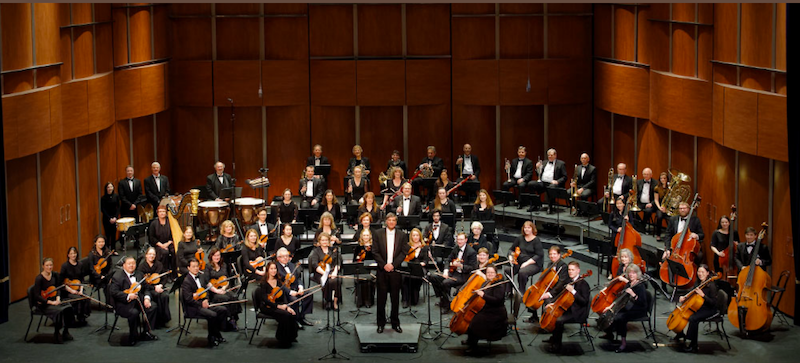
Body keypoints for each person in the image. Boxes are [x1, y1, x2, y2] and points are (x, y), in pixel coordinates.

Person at [599, 264, 648, 353]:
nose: (631, 275)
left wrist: (633, 294)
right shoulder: (629, 284)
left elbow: (643, 302)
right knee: (610, 313)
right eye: (629, 273)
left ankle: (623, 343)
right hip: (628, 307)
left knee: (621, 318)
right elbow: (621, 297)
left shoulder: (640, 286)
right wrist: (611, 306)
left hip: (638, 309)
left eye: (633, 273)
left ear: (637, 274)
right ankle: (609, 334)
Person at [543, 261, 591, 353]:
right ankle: (554, 338)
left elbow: (584, 301)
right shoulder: (568, 281)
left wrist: (573, 291)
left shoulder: (583, 284)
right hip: (568, 308)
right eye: (569, 269)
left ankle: (557, 345)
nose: (570, 272)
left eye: (573, 270)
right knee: (554, 313)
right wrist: (553, 303)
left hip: (577, 312)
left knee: (559, 320)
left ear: (578, 271)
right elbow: (561, 296)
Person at [109, 256, 158, 346]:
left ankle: (146, 332)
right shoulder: (117, 276)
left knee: (153, 307)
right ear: (124, 265)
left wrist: (147, 298)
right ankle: (133, 335)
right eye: (129, 264)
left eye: (133, 263)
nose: (131, 266)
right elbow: (114, 292)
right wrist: (128, 296)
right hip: (123, 303)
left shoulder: (139, 274)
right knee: (134, 313)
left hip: (138, 300)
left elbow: (146, 288)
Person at [373, 213, 408, 333]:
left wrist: (393, 265)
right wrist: (384, 265)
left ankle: (395, 323)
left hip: (395, 271)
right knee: (381, 299)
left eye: (394, 220)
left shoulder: (402, 235)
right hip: (382, 271)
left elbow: (404, 252)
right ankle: (380, 323)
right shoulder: (378, 234)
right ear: (386, 221)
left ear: (396, 222)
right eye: (389, 220)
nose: (392, 222)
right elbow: (375, 251)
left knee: (395, 298)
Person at [181, 258, 228, 348]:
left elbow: (206, 291)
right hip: (193, 308)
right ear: (188, 268)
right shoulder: (186, 281)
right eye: (193, 267)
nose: (196, 268)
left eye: (197, 266)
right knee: (212, 315)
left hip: (203, 304)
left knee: (222, 310)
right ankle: (212, 337)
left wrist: (206, 299)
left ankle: (216, 334)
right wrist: (200, 304)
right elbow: (188, 299)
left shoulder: (201, 277)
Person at [462, 265, 507, 355]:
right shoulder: (486, 283)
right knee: (472, 317)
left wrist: (483, 295)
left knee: (475, 321)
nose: (490, 274)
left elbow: (497, 300)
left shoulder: (498, 285)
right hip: (487, 309)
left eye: (492, 273)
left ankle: (474, 347)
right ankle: (471, 341)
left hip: (496, 313)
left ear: (496, 273)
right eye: (488, 273)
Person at [674, 264, 718, 353]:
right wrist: (684, 297)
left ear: (707, 273)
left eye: (702, 272)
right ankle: (680, 334)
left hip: (710, 309)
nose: (700, 274)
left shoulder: (711, 285)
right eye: (699, 272)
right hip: (700, 306)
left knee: (693, 318)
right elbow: (692, 293)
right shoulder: (699, 282)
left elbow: (713, 303)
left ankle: (693, 345)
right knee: (683, 313)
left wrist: (703, 296)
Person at [256, 261, 299, 347]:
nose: (273, 270)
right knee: (285, 315)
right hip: (267, 306)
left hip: (278, 304)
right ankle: (281, 338)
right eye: (271, 269)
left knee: (292, 313)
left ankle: (290, 337)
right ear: (268, 270)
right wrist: (279, 306)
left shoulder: (278, 281)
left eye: (275, 268)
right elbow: (265, 300)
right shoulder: (263, 283)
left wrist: (287, 307)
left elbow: (283, 297)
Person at [506, 221, 543, 317]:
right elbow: (511, 249)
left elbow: (539, 255)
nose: (527, 229)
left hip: (533, 263)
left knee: (522, 272)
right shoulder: (519, 238)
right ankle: (509, 290)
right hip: (519, 261)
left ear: (532, 229)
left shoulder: (536, 240)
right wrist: (510, 256)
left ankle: (521, 292)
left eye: (529, 228)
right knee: (507, 269)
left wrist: (527, 263)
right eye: (525, 228)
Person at [34, 257, 75, 343]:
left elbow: (58, 288)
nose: (49, 267)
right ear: (43, 266)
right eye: (47, 265)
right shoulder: (39, 279)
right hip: (44, 304)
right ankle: (56, 333)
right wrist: (51, 302)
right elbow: (37, 296)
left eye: (51, 265)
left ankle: (65, 331)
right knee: (58, 311)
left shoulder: (55, 275)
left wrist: (58, 298)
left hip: (55, 300)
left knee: (68, 307)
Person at [437, 233, 478, 314]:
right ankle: (444, 299)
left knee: (445, 283)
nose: (459, 241)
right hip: (454, 272)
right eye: (458, 239)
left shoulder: (471, 252)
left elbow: (472, 268)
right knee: (435, 277)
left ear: (466, 240)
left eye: (461, 239)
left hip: (463, 275)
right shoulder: (456, 248)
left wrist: (461, 266)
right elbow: (448, 259)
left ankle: (447, 305)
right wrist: (445, 270)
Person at [204, 247, 242, 331]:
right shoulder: (208, 266)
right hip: (213, 291)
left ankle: (232, 319)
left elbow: (227, 279)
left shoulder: (223, 265)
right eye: (215, 255)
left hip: (223, 289)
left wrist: (224, 288)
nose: (217, 257)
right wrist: (217, 290)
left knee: (234, 297)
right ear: (211, 256)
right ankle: (228, 320)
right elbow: (207, 282)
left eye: (218, 255)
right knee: (226, 298)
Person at [275, 247, 314, 328]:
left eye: (287, 256)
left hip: (295, 288)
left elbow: (298, 278)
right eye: (283, 256)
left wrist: (300, 287)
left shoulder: (292, 265)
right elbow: (278, 284)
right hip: (285, 292)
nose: (286, 258)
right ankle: (294, 319)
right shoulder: (275, 268)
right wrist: (290, 292)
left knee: (308, 295)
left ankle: (302, 317)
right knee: (294, 299)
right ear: (278, 258)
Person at [531, 246, 570, 322]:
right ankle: (534, 317)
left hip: (559, 291)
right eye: (550, 254)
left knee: (546, 299)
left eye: (554, 254)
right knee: (533, 295)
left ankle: (546, 321)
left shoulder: (564, 266)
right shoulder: (550, 264)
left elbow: (561, 283)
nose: (552, 256)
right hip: (550, 287)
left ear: (559, 255)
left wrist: (549, 294)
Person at [137, 247, 172, 328]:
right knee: (157, 295)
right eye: (150, 254)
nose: (151, 256)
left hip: (159, 286)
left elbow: (164, 277)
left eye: (153, 254)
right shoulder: (141, 267)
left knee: (165, 295)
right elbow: (142, 283)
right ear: (146, 255)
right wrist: (154, 288)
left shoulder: (159, 264)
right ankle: (157, 320)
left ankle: (164, 318)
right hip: (147, 289)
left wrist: (161, 285)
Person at [308, 233, 342, 310]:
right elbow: (314, 264)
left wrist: (335, 272)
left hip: (332, 271)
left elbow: (338, 262)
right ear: (319, 241)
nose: (324, 242)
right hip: (320, 273)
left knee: (337, 281)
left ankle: (335, 302)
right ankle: (328, 301)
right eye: (323, 240)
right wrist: (326, 274)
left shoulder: (333, 250)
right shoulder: (316, 251)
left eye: (326, 240)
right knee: (328, 281)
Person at [60, 247, 90, 326]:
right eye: (71, 254)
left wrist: (81, 290)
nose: (73, 255)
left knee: (85, 297)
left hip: (78, 287)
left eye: (75, 253)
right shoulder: (65, 266)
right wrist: (71, 291)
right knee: (77, 298)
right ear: (68, 255)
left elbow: (82, 279)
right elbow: (62, 282)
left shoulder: (80, 264)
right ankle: (73, 318)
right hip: (67, 290)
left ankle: (81, 316)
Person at [401, 228, 429, 308]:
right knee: (404, 277)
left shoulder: (424, 247)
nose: (415, 237)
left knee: (414, 302)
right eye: (414, 235)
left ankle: (413, 296)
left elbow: (426, 261)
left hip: (420, 268)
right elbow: (404, 258)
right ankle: (405, 299)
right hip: (409, 267)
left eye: (417, 235)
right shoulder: (407, 246)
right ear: (411, 237)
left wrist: (422, 263)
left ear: (420, 236)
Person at [353, 228, 376, 308]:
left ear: (370, 236)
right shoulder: (358, 247)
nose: (366, 237)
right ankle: (360, 301)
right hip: (360, 267)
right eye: (364, 235)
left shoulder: (373, 247)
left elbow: (375, 258)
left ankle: (368, 301)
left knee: (368, 279)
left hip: (371, 268)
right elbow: (354, 260)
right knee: (361, 278)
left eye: (367, 235)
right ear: (361, 237)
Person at [147, 205, 174, 273]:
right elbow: (152, 237)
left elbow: (173, 235)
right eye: (160, 212)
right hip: (158, 244)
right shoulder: (153, 224)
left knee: (174, 251)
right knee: (164, 253)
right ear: (157, 213)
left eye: (163, 211)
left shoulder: (170, 222)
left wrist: (167, 244)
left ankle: (173, 272)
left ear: (166, 213)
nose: (162, 213)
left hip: (169, 243)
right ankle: (164, 272)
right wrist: (162, 245)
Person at [100, 182, 121, 250]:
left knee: (113, 235)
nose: (110, 188)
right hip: (107, 219)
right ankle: (106, 250)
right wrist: (109, 218)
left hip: (114, 218)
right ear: (106, 189)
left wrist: (115, 217)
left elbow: (118, 207)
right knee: (107, 235)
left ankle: (113, 249)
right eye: (108, 187)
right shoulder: (103, 198)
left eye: (111, 187)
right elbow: (103, 209)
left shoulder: (116, 196)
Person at [653, 171, 670, 241]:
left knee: (672, 219)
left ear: (667, 179)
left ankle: (670, 235)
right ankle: (658, 234)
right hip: (660, 207)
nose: (663, 180)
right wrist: (660, 208)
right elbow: (656, 200)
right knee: (659, 217)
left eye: (664, 178)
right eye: (661, 178)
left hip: (668, 207)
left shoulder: (670, 188)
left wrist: (667, 208)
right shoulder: (657, 188)